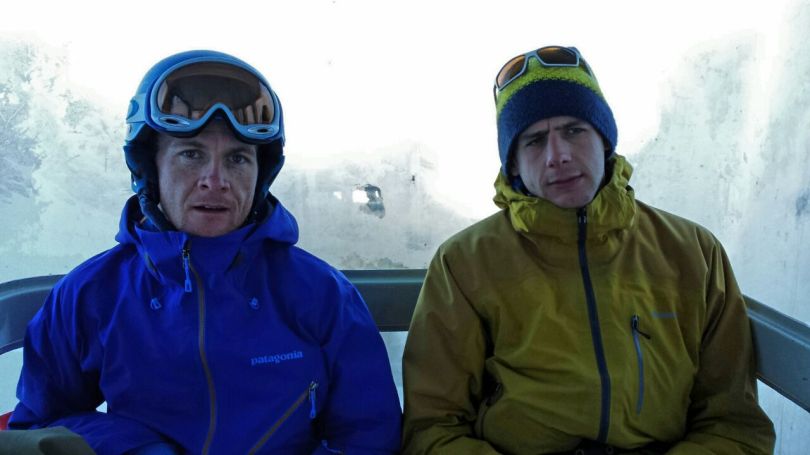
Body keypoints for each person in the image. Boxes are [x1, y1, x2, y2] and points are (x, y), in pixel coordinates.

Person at [9, 50, 402, 454]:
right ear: (151, 169)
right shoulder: (91, 295)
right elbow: (41, 424)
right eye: (191, 154)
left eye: (237, 159)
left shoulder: (321, 295)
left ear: (260, 175)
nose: (215, 181)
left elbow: (369, 436)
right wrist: (136, 449)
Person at [401, 45, 775, 454]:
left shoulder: (693, 253)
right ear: (512, 165)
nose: (557, 156)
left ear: (605, 141)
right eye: (534, 140)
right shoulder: (465, 264)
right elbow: (433, 428)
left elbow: (734, 426)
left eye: (574, 130)